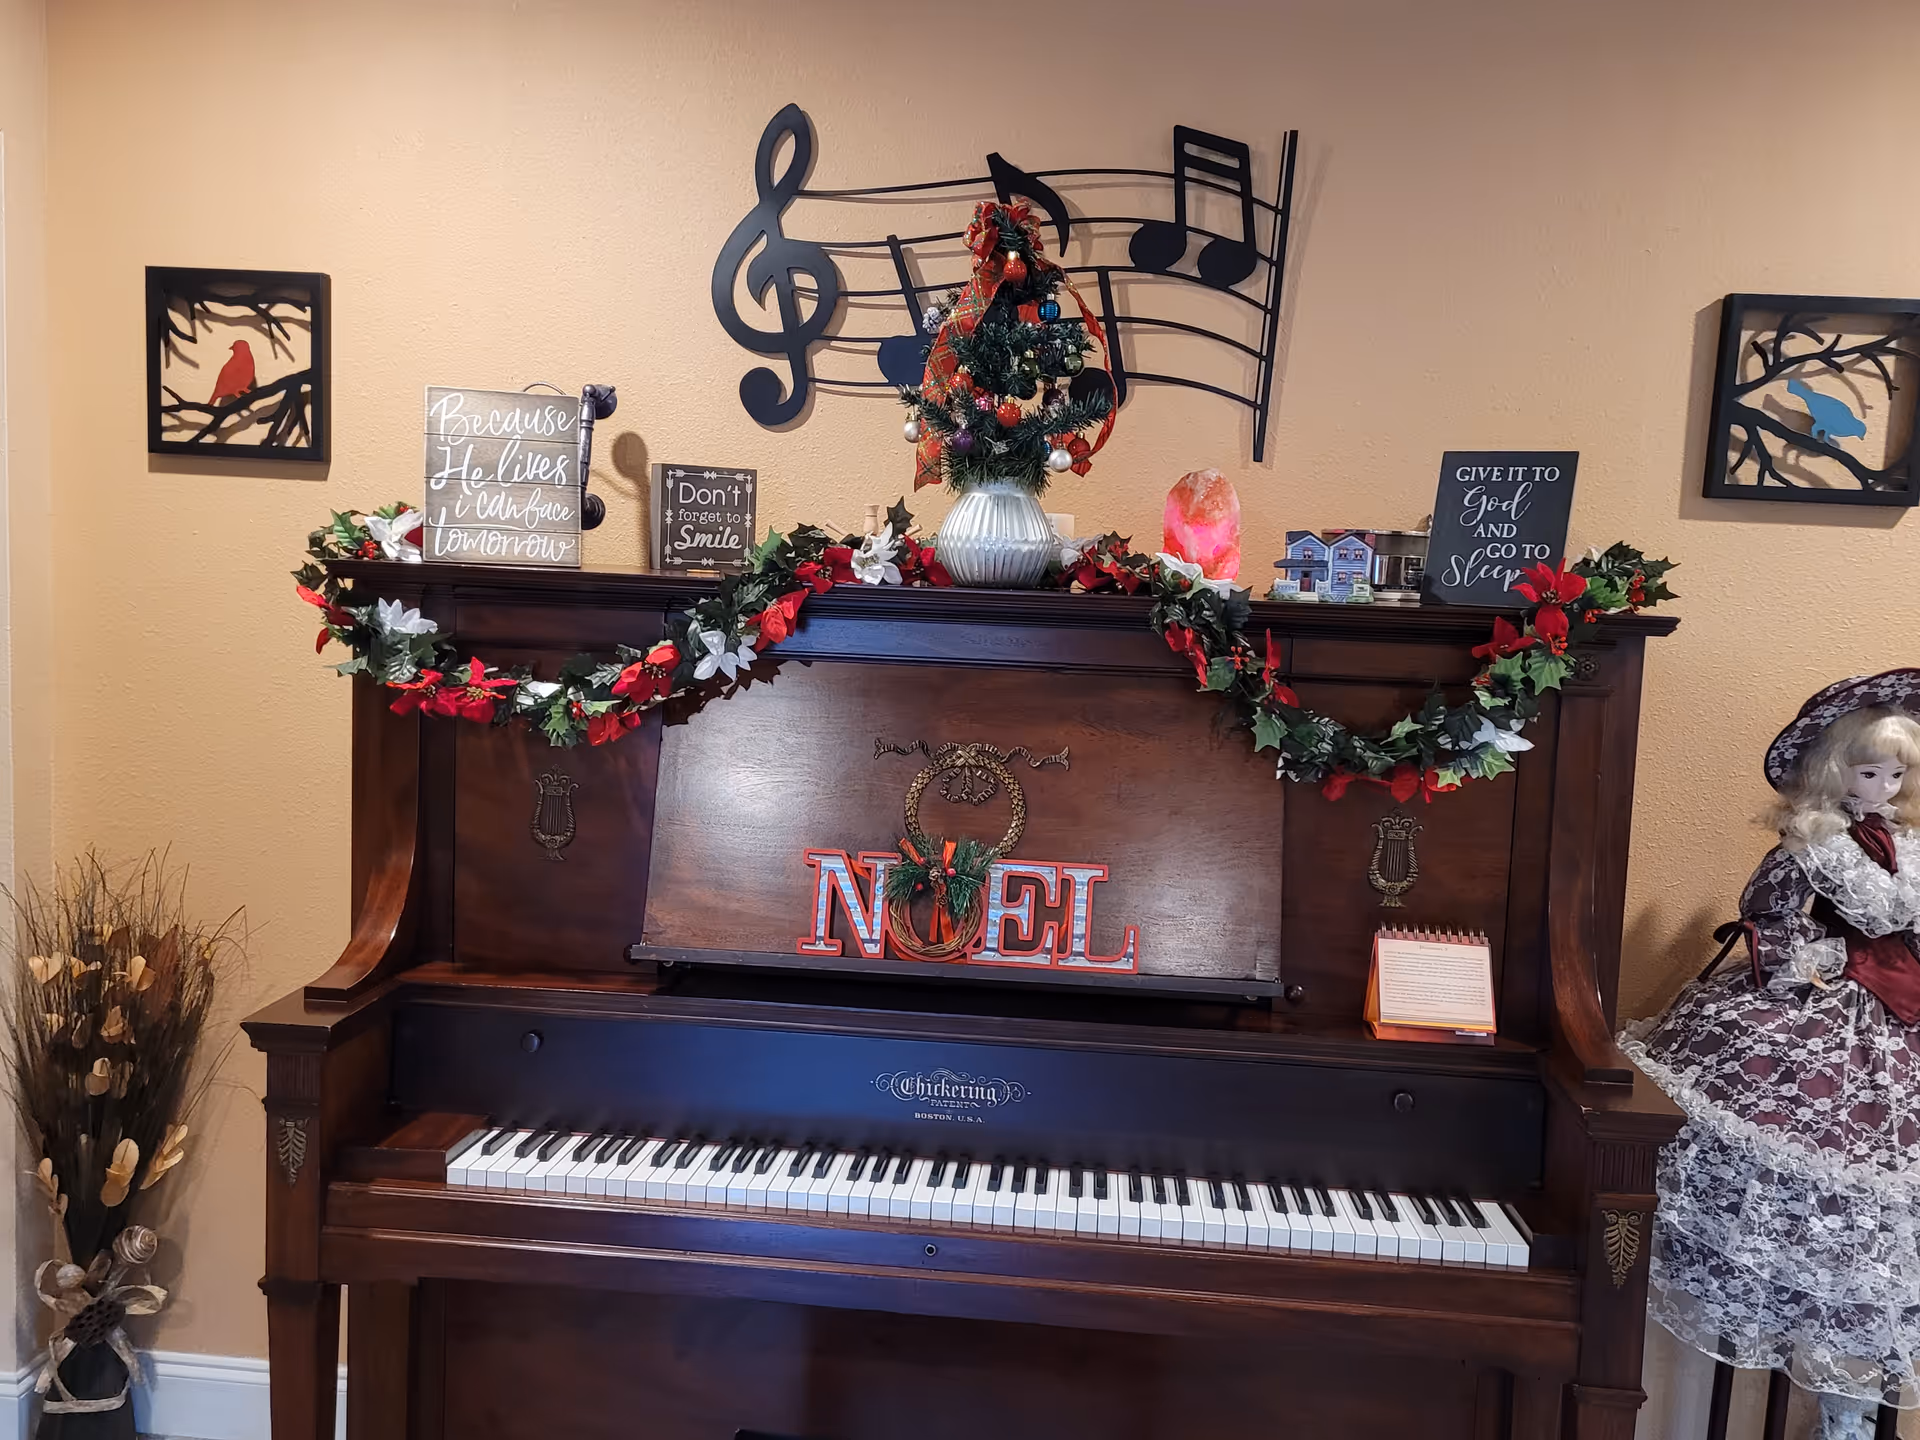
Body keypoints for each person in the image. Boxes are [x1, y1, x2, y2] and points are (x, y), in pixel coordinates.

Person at [1622, 670, 1920, 1440]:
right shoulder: (1811, 845)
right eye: (1869, 770)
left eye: (1896, 773)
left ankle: (1847, 1407)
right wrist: (1820, 964)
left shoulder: (1906, 849)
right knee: (1807, 1197)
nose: (1883, 786)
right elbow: (1769, 919)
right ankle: (1801, 1392)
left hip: (1902, 1019)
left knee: (1877, 1223)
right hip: (1824, 1010)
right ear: (1833, 770)